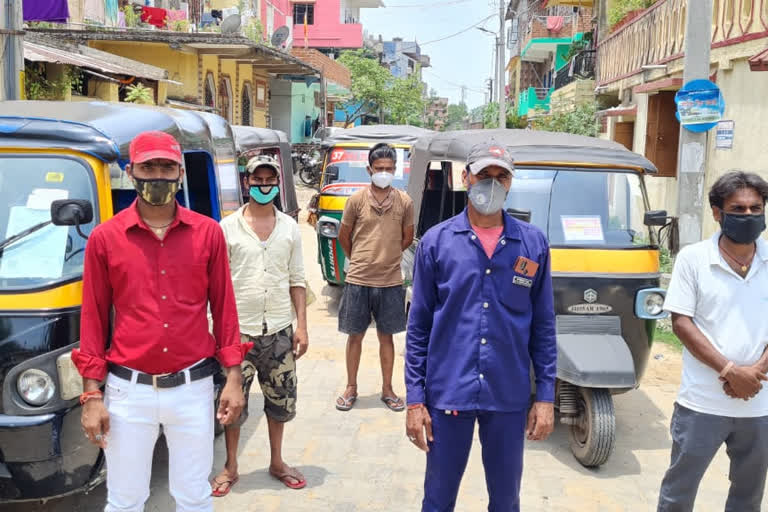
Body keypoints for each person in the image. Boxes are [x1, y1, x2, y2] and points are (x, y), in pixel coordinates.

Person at [72, 131, 248, 512]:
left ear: (180, 174)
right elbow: (93, 321)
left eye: (167, 167)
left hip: (192, 389)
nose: (158, 176)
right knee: (124, 500)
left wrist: (234, 378)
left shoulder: (208, 234)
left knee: (194, 497)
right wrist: (91, 395)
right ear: (131, 171)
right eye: (148, 166)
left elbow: (225, 309)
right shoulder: (106, 239)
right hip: (127, 392)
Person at [405, 143, 557, 512]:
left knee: (506, 501)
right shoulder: (437, 243)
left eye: (500, 176)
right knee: (438, 500)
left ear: (510, 182)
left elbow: (544, 326)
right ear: (465, 177)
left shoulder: (532, 244)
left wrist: (546, 397)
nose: (492, 183)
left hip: (507, 394)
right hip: (448, 393)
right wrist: (414, 399)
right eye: (484, 175)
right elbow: (419, 326)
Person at [657, 171, 768, 512]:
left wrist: (755, 373)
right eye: (738, 208)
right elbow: (681, 322)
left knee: (748, 495)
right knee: (679, 492)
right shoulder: (694, 259)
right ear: (718, 213)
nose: (748, 215)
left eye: (756, 208)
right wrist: (730, 370)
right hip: (702, 403)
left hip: (760, 405)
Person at [210, 155, 309, 496]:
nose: (263, 186)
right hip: (239, 334)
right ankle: (231, 465)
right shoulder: (227, 228)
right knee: (233, 406)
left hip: (280, 330)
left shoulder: (290, 228)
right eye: (257, 180)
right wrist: (216, 330)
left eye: (269, 180)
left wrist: (302, 326)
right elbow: (218, 284)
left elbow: (297, 279)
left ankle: (277, 461)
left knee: (280, 402)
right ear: (246, 184)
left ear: (277, 184)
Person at [335, 142, 414, 412]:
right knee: (354, 336)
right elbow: (343, 236)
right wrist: (360, 259)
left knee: (387, 338)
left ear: (396, 170)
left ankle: (388, 389)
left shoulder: (404, 201)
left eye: (389, 168)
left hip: (391, 281)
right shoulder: (356, 200)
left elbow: (407, 237)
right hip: (358, 279)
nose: (384, 172)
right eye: (379, 168)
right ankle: (351, 387)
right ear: (369, 169)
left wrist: (387, 256)